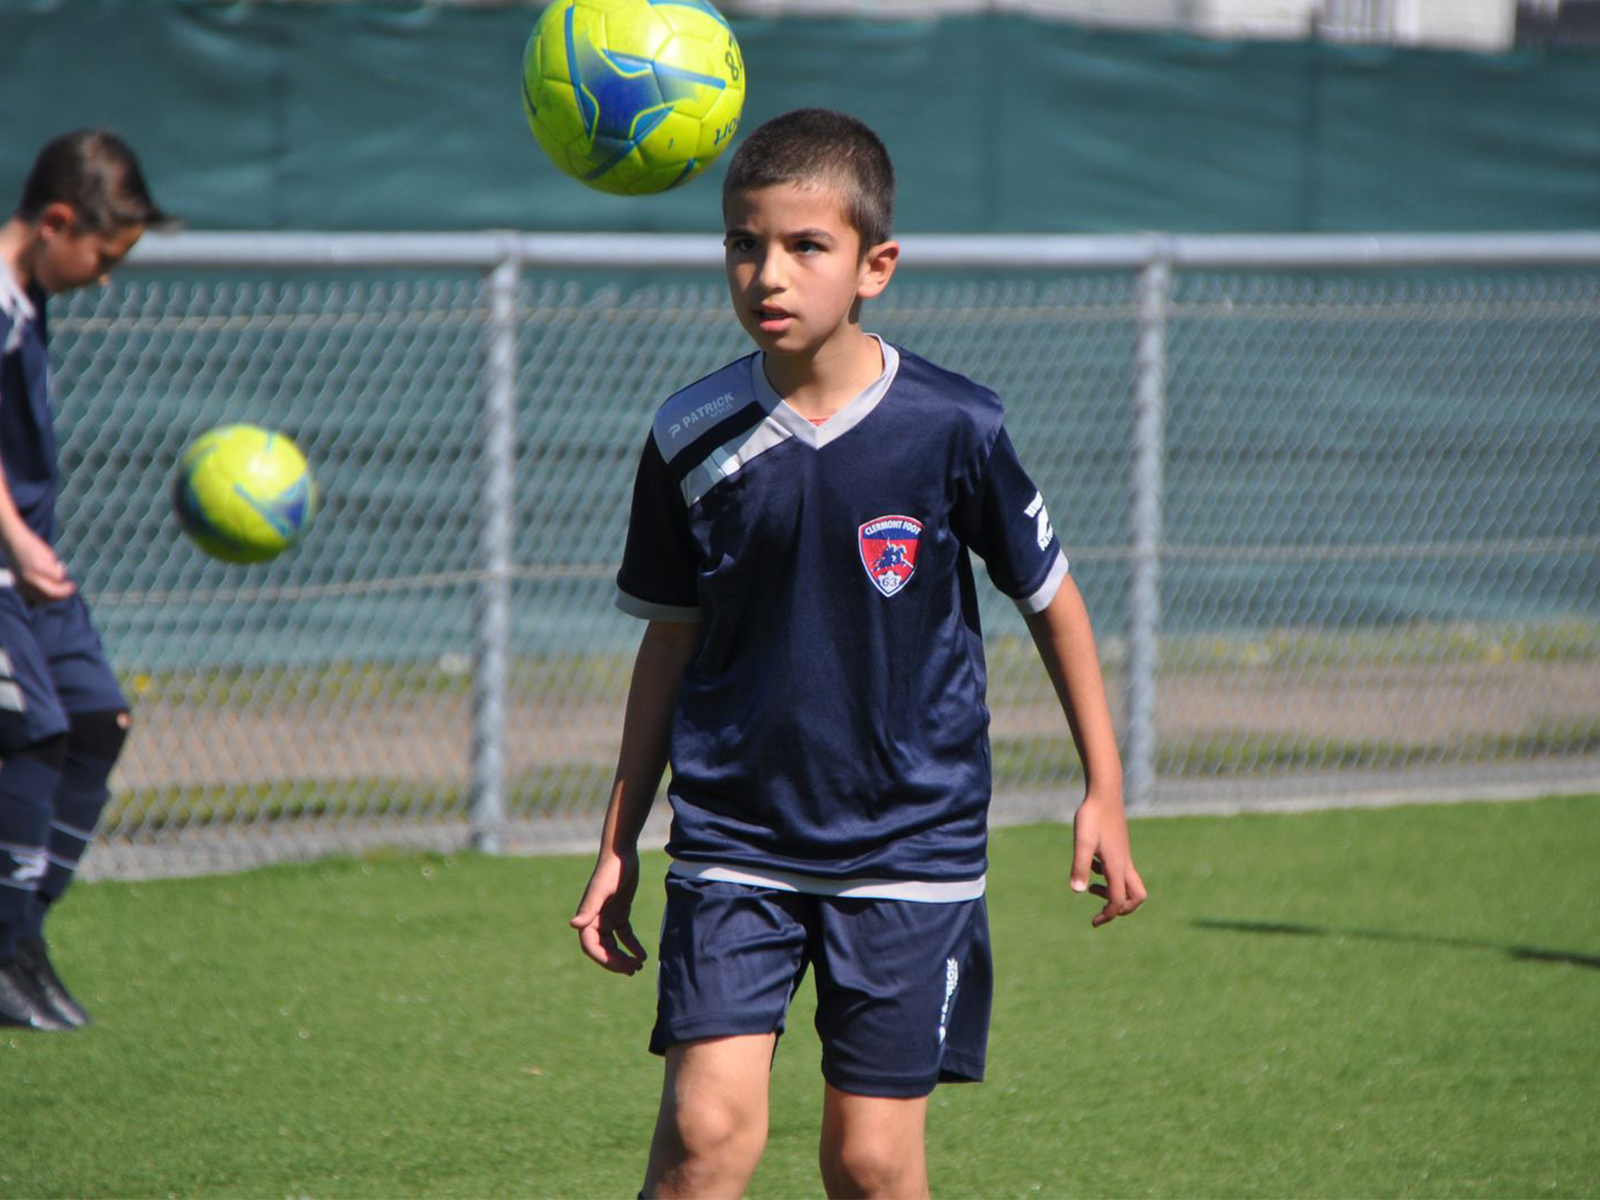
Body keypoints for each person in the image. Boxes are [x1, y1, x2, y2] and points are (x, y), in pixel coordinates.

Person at [571, 108, 1146, 1199]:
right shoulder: (688, 436)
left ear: (875, 265)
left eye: (804, 246)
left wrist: (1102, 788)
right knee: (702, 1140)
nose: (766, 273)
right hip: (736, 834)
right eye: (744, 243)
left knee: (871, 1164)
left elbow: (1053, 603)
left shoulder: (953, 427)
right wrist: (618, 842)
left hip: (907, 842)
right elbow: (668, 645)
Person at [0, 130, 169, 1031]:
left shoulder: (28, 298)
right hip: (6, 559)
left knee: (99, 717)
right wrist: (17, 537)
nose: (103, 275)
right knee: (32, 733)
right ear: (57, 221)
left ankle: (22, 936)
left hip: (32, 564)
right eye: (102, 253)